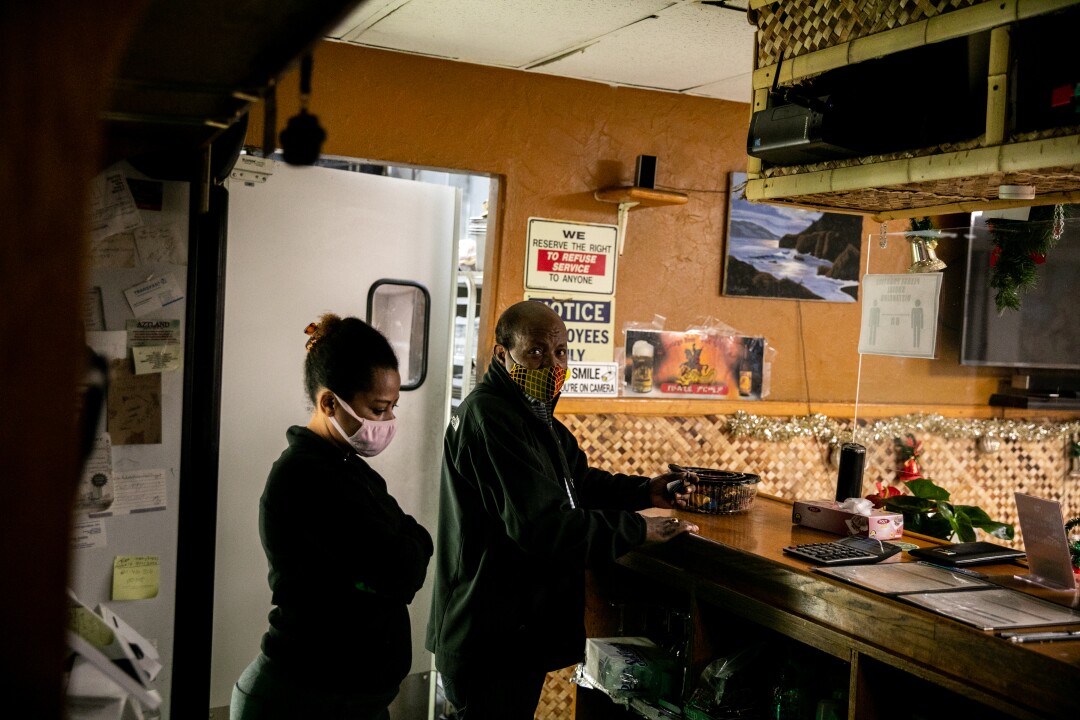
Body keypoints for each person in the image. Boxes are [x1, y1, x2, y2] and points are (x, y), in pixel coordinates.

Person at [426, 300, 699, 719]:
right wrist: (639, 530)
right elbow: (543, 525)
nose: (552, 364)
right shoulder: (491, 416)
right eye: (535, 351)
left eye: (560, 351)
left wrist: (646, 492)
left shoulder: (534, 417)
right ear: (503, 354)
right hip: (487, 634)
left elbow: (579, 485)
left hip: (509, 631)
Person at [232, 314, 434, 720]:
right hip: (303, 700)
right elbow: (402, 569)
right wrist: (408, 546)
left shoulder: (349, 466)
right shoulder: (306, 476)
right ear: (329, 403)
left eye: (393, 407)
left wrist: (409, 545)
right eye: (378, 409)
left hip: (350, 699)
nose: (388, 423)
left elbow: (416, 541)